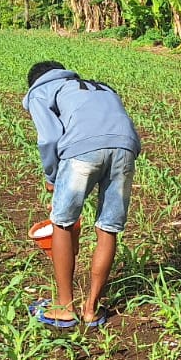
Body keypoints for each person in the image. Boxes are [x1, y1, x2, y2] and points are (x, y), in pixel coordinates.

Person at [23, 61, 141, 328]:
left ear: (34, 81)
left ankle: (64, 308)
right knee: (108, 227)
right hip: (126, 147)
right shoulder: (101, 87)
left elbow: (49, 138)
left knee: (62, 223)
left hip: (82, 151)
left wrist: (51, 176)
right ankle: (91, 309)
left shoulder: (40, 91)